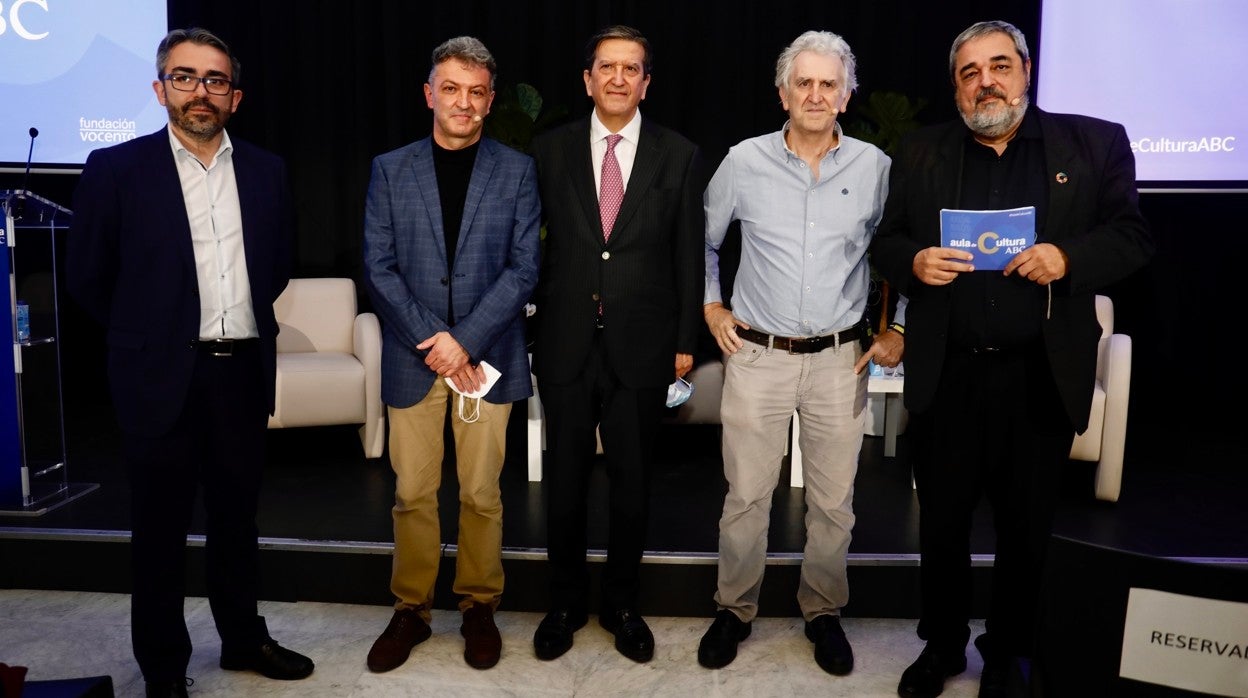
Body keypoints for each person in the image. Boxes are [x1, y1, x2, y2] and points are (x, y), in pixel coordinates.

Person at [869, 20, 1154, 698]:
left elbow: (1133, 236)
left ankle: (1008, 653)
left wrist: (1069, 258)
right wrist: (912, 261)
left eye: (999, 65)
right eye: (969, 72)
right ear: (956, 85)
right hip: (950, 370)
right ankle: (941, 646)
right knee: (941, 524)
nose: (985, 81)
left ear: (1025, 70)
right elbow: (885, 242)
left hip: (1038, 371)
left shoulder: (1092, 142)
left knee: (1028, 528)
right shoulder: (921, 151)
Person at [65, 27, 313, 697]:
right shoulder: (115, 170)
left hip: (240, 374)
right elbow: (87, 277)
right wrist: (149, 333)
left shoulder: (267, 170)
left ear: (236, 96)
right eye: (185, 77)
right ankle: (165, 668)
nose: (201, 91)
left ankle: (242, 639)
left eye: (215, 80)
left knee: (238, 521)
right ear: (159, 88)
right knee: (159, 532)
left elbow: (277, 266)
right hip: (157, 377)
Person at [697, 30, 900, 677]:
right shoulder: (744, 161)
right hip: (759, 357)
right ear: (783, 92)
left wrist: (899, 328)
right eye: (803, 83)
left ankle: (823, 611)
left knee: (834, 502)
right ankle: (734, 609)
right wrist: (710, 304)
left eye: (828, 84)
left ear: (846, 96)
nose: (815, 94)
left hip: (842, 360)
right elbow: (700, 240)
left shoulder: (875, 168)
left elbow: (905, 256)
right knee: (746, 497)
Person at [361, 36, 541, 673]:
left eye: (476, 92)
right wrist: (438, 341)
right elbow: (379, 268)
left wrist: (464, 340)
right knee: (412, 493)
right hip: (416, 359)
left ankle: (478, 606)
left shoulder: (517, 170)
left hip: (486, 357)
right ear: (429, 93)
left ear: (490, 101)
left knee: (481, 494)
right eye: (451, 88)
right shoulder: (391, 168)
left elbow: (524, 269)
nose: (463, 102)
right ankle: (411, 608)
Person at [528, 24, 704, 664]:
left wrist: (686, 338)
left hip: (644, 346)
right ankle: (566, 602)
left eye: (632, 69)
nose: (619, 78)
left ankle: (623, 604)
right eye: (607, 67)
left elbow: (689, 253)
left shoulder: (677, 154)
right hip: (567, 343)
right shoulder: (547, 152)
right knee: (565, 484)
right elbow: (533, 250)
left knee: (633, 485)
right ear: (587, 79)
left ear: (646, 83)